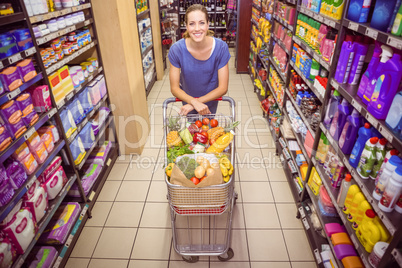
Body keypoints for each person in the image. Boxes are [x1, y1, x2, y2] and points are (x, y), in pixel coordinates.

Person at [168, 4, 231, 116]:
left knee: (210, 127)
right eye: (192, 24)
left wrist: (196, 103)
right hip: (187, 99)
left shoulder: (221, 48)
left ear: (208, 24)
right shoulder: (177, 50)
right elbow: (174, 88)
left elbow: (223, 88)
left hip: (211, 99)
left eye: (201, 23)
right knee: (192, 129)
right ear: (186, 26)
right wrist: (193, 102)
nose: (197, 28)